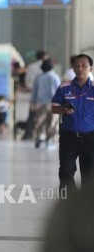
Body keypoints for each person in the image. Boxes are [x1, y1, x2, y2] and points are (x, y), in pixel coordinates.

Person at [51, 53, 94, 196]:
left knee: (88, 173)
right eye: (77, 65)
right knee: (65, 170)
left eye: (84, 65)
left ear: (91, 69)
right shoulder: (64, 87)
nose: (80, 68)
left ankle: (87, 204)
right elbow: (53, 107)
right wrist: (64, 110)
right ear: (73, 68)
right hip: (69, 137)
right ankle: (69, 203)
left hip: (90, 138)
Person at [30, 59, 61, 148]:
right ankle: (49, 141)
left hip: (40, 103)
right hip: (53, 104)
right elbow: (59, 91)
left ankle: (39, 138)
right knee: (52, 122)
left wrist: (33, 103)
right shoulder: (55, 77)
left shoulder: (38, 77)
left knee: (40, 122)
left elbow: (34, 91)